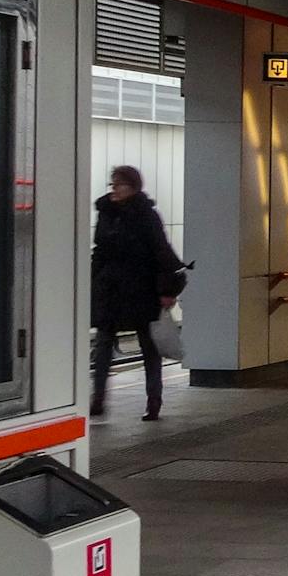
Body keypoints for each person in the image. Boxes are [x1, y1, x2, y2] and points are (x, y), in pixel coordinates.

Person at [90, 165, 185, 421]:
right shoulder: (106, 213)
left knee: (149, 346)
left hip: (141, 289)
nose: (115, 189)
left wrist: (167, 289)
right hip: (110, 289)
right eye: (113, 184)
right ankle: (97, 399)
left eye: (120, 184)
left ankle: (153, 401)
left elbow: (160, 251)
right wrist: (92, 282)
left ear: (133, 187)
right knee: (103, 344)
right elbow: (99, 249)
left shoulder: (146, 215)